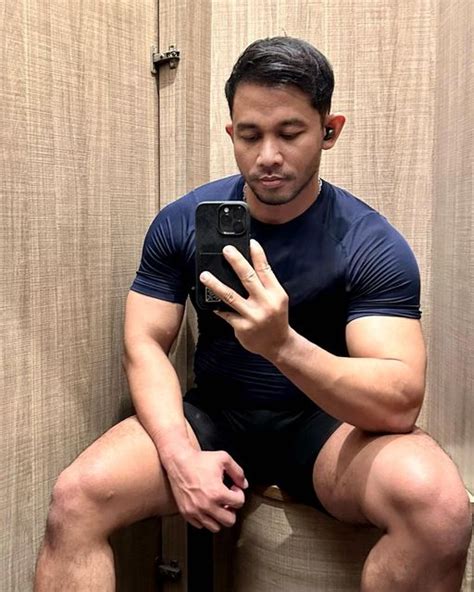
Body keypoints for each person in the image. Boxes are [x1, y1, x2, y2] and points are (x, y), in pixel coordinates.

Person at [35, 36, 471, 591]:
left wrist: (282, 345)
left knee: (440, 508)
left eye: (289, 133)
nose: (268, 155)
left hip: (324, 426)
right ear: (231, 133)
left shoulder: (369, 243)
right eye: (250, 135)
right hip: (214, 415)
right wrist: (180, 457)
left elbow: (399, 400)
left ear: (329, 130)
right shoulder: (182, 222)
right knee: (76, 499)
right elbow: (143, 344)